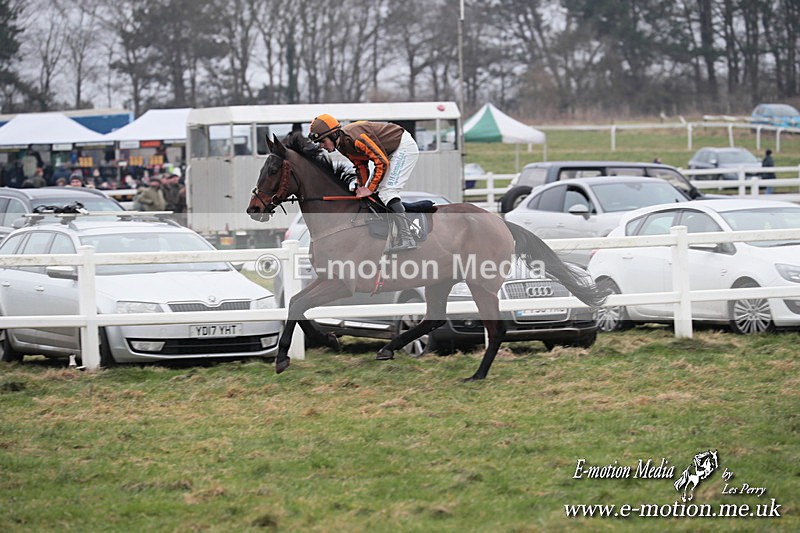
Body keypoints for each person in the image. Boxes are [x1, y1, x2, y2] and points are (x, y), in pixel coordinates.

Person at [308, 114, 419, 252]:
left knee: (387, 192)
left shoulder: (356, 138)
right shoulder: (342, 145)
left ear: (334, 134)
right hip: (388, 151)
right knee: (374, 191)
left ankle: (407, 238)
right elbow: (360, 165)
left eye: (322, 141)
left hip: (402, 147)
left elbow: (381, 162)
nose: (322, 146)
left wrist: (369, 188)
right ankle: (391, 233)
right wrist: (362, 187)